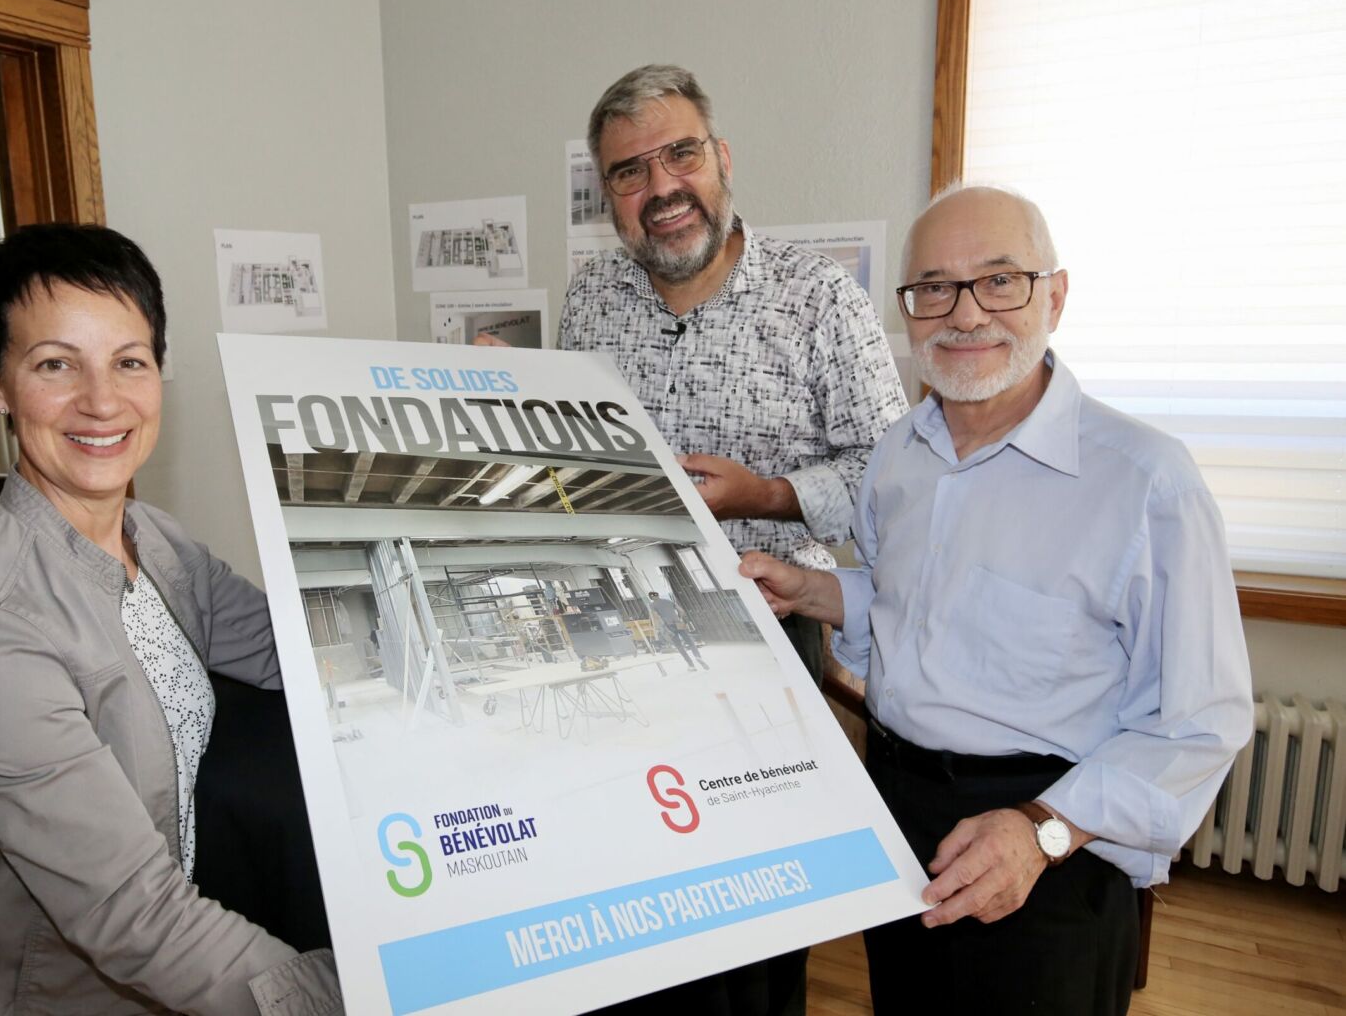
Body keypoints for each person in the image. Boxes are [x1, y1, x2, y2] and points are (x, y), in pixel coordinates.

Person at [740, 185, 1253, 1015]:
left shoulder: (1147, 480)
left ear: (1055, 294)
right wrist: (818, 591)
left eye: (1000, 279)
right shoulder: (898, 457)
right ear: (908, 309)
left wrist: (1044, 830)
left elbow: (1200, 724)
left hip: (1051, 840)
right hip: (901, 808)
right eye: (934, 287)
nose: (965, 313)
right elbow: (914, 608)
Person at [0, 223, 342, 1016]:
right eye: (56, 364)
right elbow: (135, 915)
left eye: (129, 362)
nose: (102, 401)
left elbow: (306, 655)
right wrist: (360, 992)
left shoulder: (153, 540)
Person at [529, 62, 906, 1016]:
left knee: (753, 926)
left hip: (769, 641)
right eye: (628, 172)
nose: (660, 188)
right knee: (630, 903)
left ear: (721, 158)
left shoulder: (820, 299)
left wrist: (769, 494)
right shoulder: (590, 303)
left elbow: (896, 487)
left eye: (679, 154)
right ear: (606, 194)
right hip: (617, 644)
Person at [647, 589, 706, 670]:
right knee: (690, 642)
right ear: (658, 595)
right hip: (678, 622)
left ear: (651, 597)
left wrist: (662, 627)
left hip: (668, 625)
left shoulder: (652, 605)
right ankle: (698, 656)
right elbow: (681, 611)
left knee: (679, 645)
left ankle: (691, 665)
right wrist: (680, 618)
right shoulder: (668, 601)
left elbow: (656, 616)